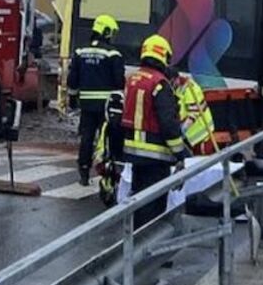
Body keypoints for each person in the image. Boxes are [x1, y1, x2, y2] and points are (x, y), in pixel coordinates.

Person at [120, 34, 188, 228]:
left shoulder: (133, 78)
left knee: (139, 200)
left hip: (133, 153)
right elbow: (168, 124)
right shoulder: (160, 83)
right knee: (154, 206)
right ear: (163, 56)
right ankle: (148, 252)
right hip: (156, 155)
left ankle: (135, 246)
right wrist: (180, 154)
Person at [65, 14, 126, 186]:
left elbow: (72, 80)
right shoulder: (113, 54)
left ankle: (83, 172)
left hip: (86, 105)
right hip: (107, 106)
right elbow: (119, 82)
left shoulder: (79, 52)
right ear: (105, 31)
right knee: (108, 138)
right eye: (112, 32)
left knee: (87, 138)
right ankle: (108, 172)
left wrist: (72, 98)